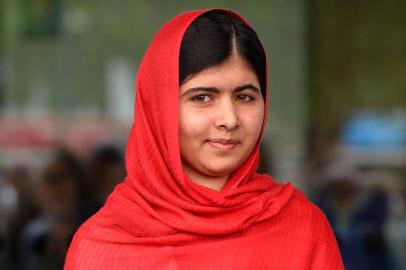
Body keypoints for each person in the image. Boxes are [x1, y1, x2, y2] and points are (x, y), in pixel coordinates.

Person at [64, 9, 344, 269]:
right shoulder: (101, 247)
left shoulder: (302, 229)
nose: (229, 119)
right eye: (202, 98)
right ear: (159, 108)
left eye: (244, 97)